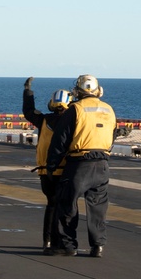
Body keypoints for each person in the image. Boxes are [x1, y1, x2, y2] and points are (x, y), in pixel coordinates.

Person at [45, 74, 116, 258]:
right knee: (98, 206)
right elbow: (112, 136)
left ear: (78, 91)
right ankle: (98, 245)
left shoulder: (75, 109)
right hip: (102, 164)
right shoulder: (109, 110)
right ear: (98, 90)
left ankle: (68, 245)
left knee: (67, 203)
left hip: (79, 163)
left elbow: (60, 140)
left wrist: (52, 165)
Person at [22, 77, 72, 253]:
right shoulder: (73, 122)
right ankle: (64, 241)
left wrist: (28, 90)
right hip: (66, 170)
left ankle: (47, 241)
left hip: (45, 172)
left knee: (51, 205)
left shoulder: (43, 120)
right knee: (66, 207)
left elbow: (28, 111)